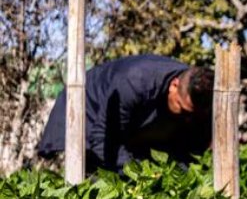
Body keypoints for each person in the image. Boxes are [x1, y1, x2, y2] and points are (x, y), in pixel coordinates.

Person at [36, 55, 215, 174]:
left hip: (126, 126)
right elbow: (104, 142)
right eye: (182, 109)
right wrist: (139, 174)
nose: (186, 117)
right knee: (92, 180)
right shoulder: (135, 81)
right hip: (86, 107)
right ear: (174, 85)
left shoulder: (199, 95)